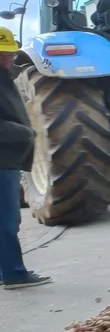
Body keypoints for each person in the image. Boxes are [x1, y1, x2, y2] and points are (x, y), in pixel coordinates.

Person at [0, 27, 51, 290]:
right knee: (7, 220)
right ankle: (14, 274)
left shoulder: (5, 77)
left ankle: (6, 271)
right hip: (3, 160)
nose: (8, 58)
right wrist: (25, 132)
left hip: (9, 158)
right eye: (3, 54)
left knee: (7, 219)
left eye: (9, 53)